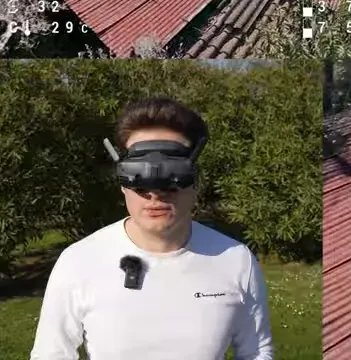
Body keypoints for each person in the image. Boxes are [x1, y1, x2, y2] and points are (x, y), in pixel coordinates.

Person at [30, 98, 274, 360]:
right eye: (139, 173)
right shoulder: (79, 262)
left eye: (172, 174)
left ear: (194, 180)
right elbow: (51, 354)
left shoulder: (236, 260)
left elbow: (256, 351)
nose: (155, 193)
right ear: (123, 181)